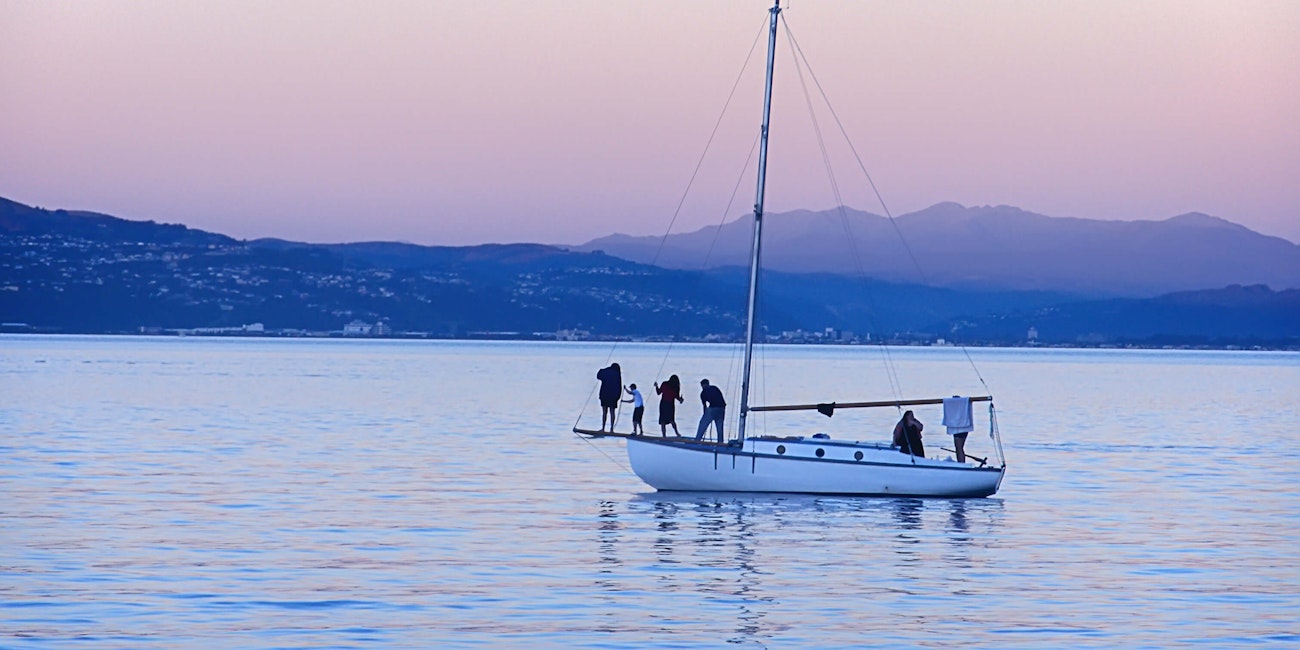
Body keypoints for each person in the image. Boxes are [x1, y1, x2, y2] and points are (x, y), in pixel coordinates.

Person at [695, 378, 727, 444]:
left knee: (702, 424)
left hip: (713, 409)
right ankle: (720, 443)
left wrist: (705, 415)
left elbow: (704, 406)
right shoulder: (715, 388)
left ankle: (697, 440)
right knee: (719, 428)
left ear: (703, 385)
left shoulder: (703, 393)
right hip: (722, 409)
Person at [596, 362, 621, 432]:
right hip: (613, 396)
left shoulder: (606, 372)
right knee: (612, 412)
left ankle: (603, 428)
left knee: (604, 412)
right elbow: (619, 386)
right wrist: (618, 397)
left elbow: (598, 375)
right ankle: (611, 429)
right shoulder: (617, 374)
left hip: (604, 395)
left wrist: (605, 369)